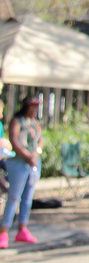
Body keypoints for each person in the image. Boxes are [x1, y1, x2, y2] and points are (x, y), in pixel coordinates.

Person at [0, 97, 43, 248]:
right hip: (18, 163)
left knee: (27, 199)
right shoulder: (17, 120)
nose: (35, 109)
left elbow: (40, 140)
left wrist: (36, 153)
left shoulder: (35, 122)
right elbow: (14, 139)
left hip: (33, 163)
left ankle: (22, 229)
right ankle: (4, 231)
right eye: (33, 106)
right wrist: (27, 155)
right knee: (14, 197)